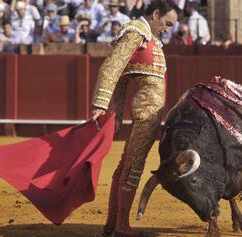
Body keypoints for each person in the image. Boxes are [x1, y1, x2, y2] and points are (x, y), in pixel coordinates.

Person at [90, 0, 178, 236]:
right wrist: (102, 103)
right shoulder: (135, 32)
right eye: (167, 23)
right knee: (134, 166)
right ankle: (121, 226)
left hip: (147, 111)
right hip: (146, 113)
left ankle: (112, 224)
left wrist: (117, 109)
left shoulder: (149, 38)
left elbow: (123, 77)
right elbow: (112, 67)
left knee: (127, 164)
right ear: (156, 13)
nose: (168, 29)